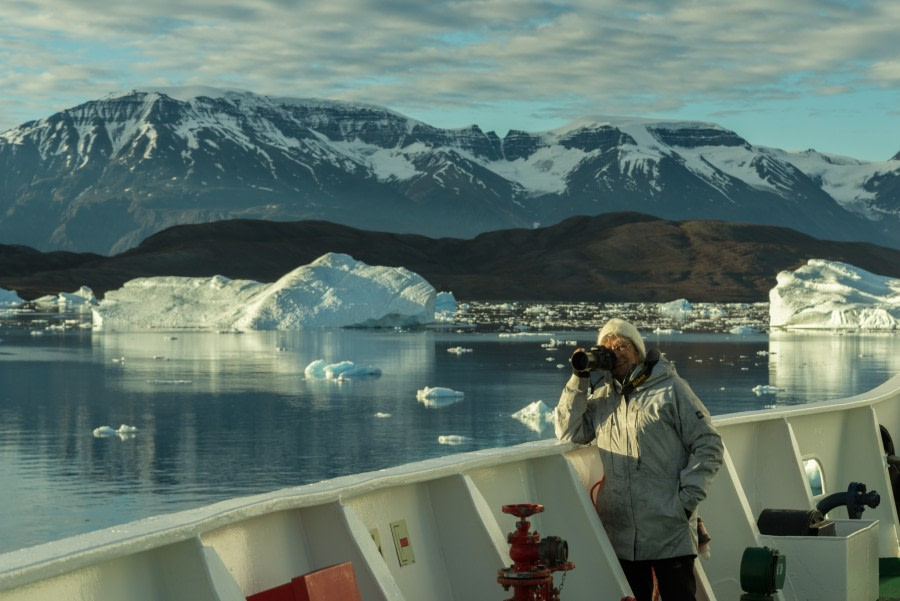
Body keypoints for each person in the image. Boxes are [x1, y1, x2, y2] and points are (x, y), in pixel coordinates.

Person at [555, 318, 723, 601]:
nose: (615, 352)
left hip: (668, 528)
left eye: (622, 345)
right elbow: (568, 430)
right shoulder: (603, 398)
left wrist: (684, 502)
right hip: (621, 533)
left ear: (638, 351)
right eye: (607, 347)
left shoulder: (671, 389)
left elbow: (709, 444)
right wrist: (579, 378)